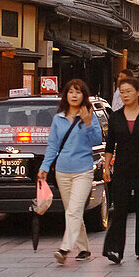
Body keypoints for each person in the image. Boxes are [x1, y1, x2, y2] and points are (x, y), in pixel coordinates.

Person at [39, 79, 105, 265]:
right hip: (62, 171)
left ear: (84, 95)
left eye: (78, 92)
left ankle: (65, 247)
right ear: (65, 95)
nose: (74, 95)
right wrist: (44, 167)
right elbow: (52, 146)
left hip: (83, 170)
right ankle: (84, 248)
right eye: (71, 92)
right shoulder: (58, 118)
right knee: (72, 211)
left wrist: (88, 122)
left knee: (74, 210)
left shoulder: (89, 115)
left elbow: (97, 140)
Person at [101, 76, 139, 263]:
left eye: (128, 91)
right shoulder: (115, 117)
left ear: (138, 93)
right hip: (122, 170)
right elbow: (110, 146)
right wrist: (106, 167)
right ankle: (115, 250)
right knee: (120, 211)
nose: (125, 95)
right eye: (122, 92)